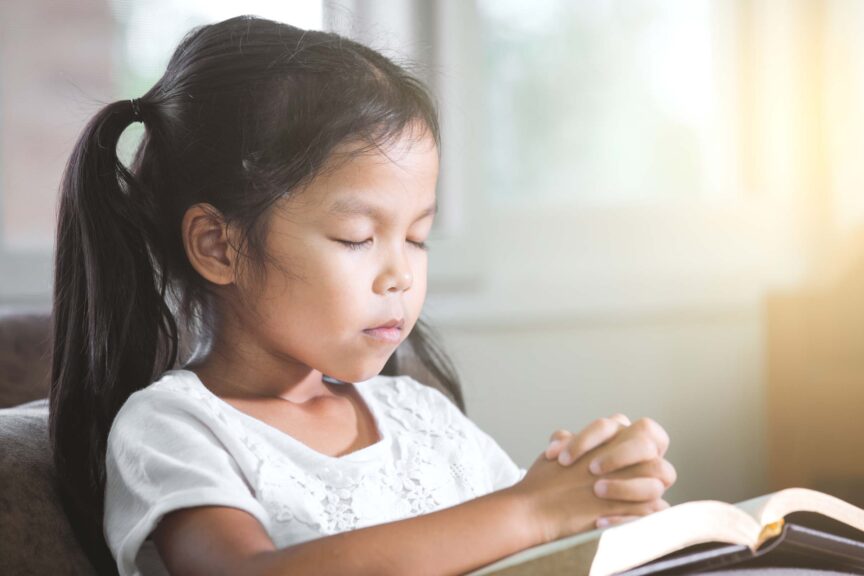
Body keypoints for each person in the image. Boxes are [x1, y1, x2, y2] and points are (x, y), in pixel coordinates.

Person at [49, 16, 676, 576]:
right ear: (219, 246)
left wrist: (595, 498)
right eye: (357, 238)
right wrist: (529, 511)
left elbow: (536, 549)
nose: (401, 274)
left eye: (417, 237)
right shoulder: (175, 428)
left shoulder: (421, 417)